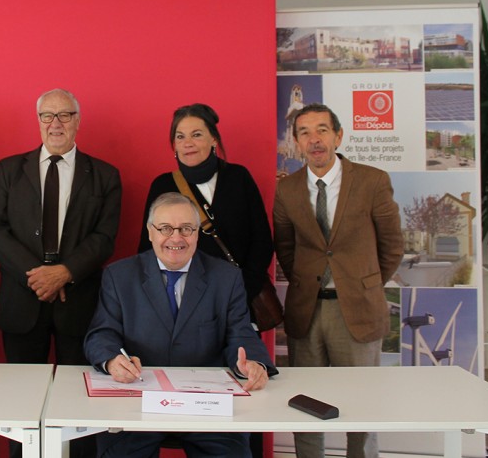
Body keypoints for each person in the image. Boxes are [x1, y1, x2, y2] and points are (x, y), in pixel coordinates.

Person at [85, 192, 277, 458]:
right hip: (138, 399)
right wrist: (112, 361)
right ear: (150, 232)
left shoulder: (227, 277)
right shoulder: (119, 275)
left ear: (197, 233)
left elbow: (241, 334)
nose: (176, 238)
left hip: (207, 403)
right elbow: (101, 334)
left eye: (186, 228)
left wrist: (254, 363)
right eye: (165, 228)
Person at [0, 88, 121, 457]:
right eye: (48, 115)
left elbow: (104, 237)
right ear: (38, 120)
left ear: (78, 120)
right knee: (21, 405)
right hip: (22, 298)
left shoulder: (105, 175)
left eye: (65, 115)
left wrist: (65, 272)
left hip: (78, 300)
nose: (56, 123)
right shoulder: (8, 170)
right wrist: (39, 276)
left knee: (81, 405)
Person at [273, 103, 403, 458]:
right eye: (304, 133)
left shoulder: (372, 181)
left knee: (361, 406)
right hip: (307, 311)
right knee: (306, 406)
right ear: (297, 142)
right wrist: (308, 283)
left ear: (338, 136)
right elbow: (285, 248)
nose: (314, 139)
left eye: (322, 130)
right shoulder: (287, 190)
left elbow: (392, 246)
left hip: (357, 311)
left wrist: (362, 284)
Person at [137, 103, 274, 311]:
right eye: (180, 136)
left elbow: (261, 240)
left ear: (214, 139)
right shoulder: (163, 185)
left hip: (237, 296)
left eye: (197, 135)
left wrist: (243, 290)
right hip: (182, 301)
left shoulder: (238, 178)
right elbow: (148, 248)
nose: (187, 143)